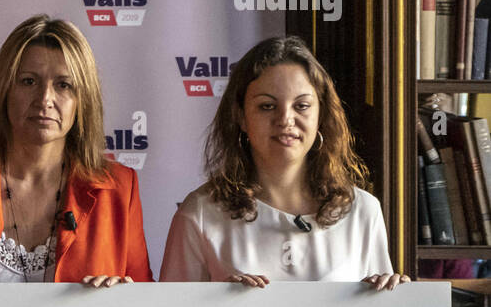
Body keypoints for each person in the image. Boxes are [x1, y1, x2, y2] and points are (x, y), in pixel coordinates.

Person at [0, 16, 152, 287]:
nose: (45, 99)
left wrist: (124, 298)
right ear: (4, 91)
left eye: (63, 85)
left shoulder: (119, 188)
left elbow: (144, 304)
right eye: (29, 81)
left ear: (83, 100)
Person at [160, 35, 407, 289]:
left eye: (301, 106)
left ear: (320, 115)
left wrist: (392, 290)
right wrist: (218, 306)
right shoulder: (199, 213)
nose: (285, 119)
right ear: (240, 117)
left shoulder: (363, 211)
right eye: (267, 106)